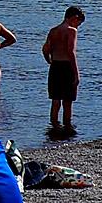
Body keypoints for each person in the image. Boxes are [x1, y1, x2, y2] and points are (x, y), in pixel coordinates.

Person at [41, 8, 83, 141]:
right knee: (67, 101)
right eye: (79, 22)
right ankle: (67, 128)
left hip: (55, 67)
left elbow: (45, 49)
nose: (78, 26)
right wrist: (76, 73)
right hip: (66, 67)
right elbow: (71, 52)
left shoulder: (53, 31)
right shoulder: (71, 31)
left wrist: (49, 61)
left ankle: (53, 127)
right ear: (74, 17)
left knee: (55, 100)